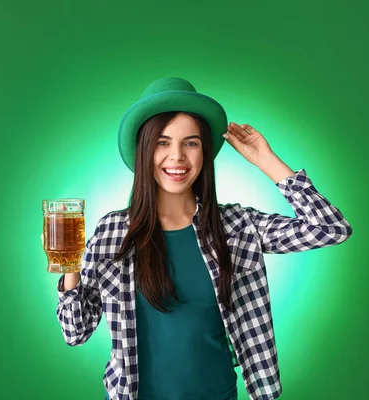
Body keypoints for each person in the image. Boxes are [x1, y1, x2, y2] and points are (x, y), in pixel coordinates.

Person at [54, 77, 353, 400]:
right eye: (162, 142)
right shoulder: (113, 232)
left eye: (191, 143)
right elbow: (75, 332)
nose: (177, 156)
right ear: (144, 151)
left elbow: (330, 229)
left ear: (205, 152)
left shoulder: (236, 227)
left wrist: (265, 160)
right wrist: (69, 263)